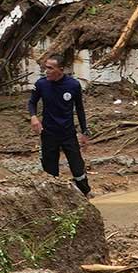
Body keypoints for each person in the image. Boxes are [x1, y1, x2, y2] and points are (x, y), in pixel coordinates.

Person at [29, 56, 92, 196]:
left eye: (50, 68)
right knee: (50, 169)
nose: (47, 71)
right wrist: (33, 117)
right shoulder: (41, 84)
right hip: (48, 132)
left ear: (61, 70)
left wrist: (84, 132)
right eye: (46, 67)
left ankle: (85, 193)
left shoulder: (73, 85)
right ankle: (55, 198)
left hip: (68, 132)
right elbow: (31, 103)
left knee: (77, 166)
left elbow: (80, 109)